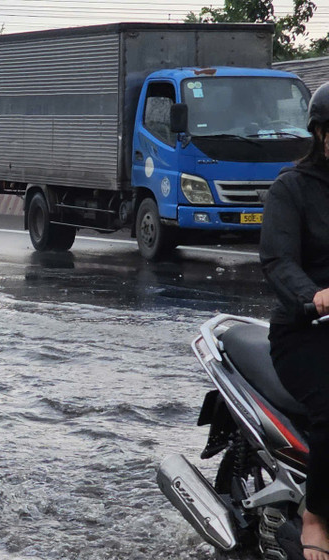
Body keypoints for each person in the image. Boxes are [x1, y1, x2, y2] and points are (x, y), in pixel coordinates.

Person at [260, 82, 329, 560]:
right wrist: (315, 296)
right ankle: (317, 517)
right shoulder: (292, 188)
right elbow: (279, 261)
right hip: (304, 331)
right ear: (321, 134)